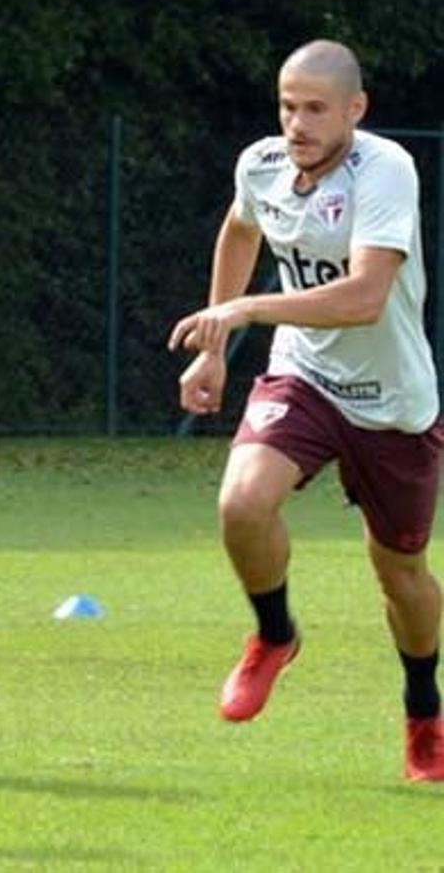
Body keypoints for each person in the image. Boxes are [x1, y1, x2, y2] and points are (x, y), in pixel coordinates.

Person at [169, 39, 444, 782]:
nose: (297, 122)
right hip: (306, 375)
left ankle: (424, 708)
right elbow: (240, 227)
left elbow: (363, 297)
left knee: (402, 575)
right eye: (289, 105)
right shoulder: (260, 164)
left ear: (356, 109)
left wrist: (247, 307)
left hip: (394, 402)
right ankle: (274, 634)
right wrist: (216, 344)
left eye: (316, 108)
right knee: (241, 502)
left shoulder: (385, 170)